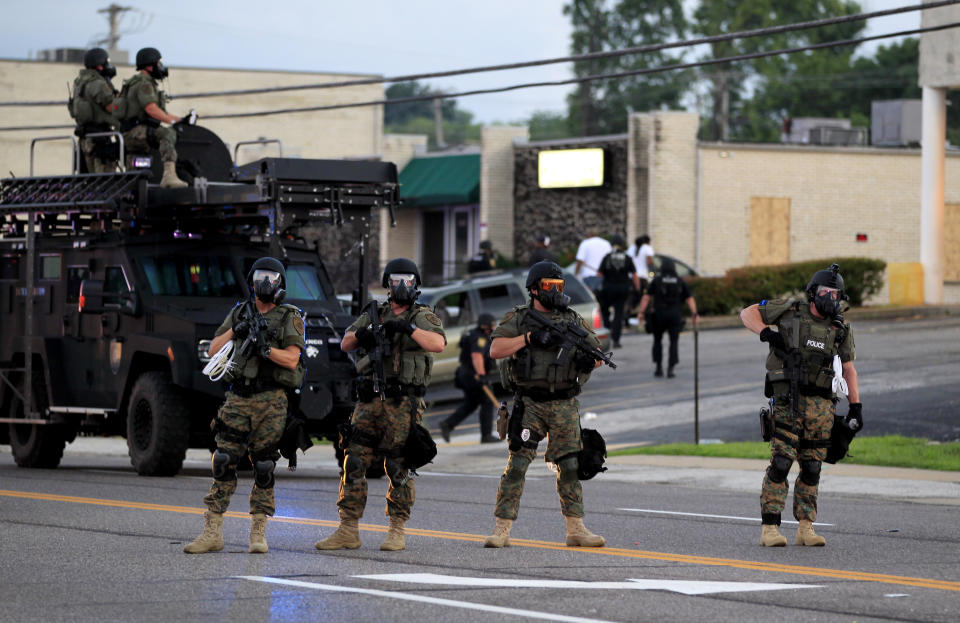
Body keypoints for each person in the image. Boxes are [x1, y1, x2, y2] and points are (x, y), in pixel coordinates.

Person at [315, 258, 446, 552]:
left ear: (416, 284)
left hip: (403, 401)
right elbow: (346, 343)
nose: (402, 286)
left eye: (408, 280)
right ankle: (348, 528)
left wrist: (406, 328)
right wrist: (365, 334)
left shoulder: (422, 315)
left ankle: (396, 529)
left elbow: (437, 344)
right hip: (369, 399)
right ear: (387, 283)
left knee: (398, 463)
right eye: (397, 280)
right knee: (355, 459)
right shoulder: (375, 313)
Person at [184, 257, 306, 554]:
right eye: (261, 276)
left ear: (281, 283)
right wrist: (236, 331)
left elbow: (292, 359)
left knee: (264, 464)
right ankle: (212, 531)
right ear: (252, 280)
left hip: (272, 399)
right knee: (223, 459)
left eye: (272, 277)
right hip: (238, 397)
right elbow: (212, 349)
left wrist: (266, 350)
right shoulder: (240, 312)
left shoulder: (290, 316)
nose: (266, 282)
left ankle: (258, 533)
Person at [484, 261, 605, 549]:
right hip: (530, 403)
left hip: (564, 403)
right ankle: (501, 529)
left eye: (559, 287)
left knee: (571, 467)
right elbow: (495, 349)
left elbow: (597, 352)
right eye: (550, 286)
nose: (555, 292)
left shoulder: (571, 319)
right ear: (535, 289)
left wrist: (590, 359)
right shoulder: (520, 318)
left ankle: (576, 529)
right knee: (517, 465)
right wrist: (528, 338)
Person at [739, 263, 860, 548]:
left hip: (821, 407)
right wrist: (766, 333)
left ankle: (806, 527)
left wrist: (856, 406)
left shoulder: (840, 329)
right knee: (781, 462)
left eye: (835, 293)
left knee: (812, 467)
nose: (829, 298)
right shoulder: (791, 311)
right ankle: (770, 528)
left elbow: (849, 368)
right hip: (788, 402)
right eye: (824, 292)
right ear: (812, 293)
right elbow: (748, 313)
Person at [119, 47, 188, 188]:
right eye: (158, 64)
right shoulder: (144, 84)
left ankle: (133, 184)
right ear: (150, 66)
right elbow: (151, 109)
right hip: (136, 132)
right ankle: (169, 176)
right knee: (167, 133)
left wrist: (180, 120)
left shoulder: (137, 82)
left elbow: (160, 112)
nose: (161, 67)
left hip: (132, 132)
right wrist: (172, 121)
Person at [439, 313, 500, 444]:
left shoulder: (472, 333)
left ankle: (447, 424)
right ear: (486, 326)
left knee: (471, 404)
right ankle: (486, 435)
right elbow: (477, 356)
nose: (494, 327)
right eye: (492, 325)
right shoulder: (480, 338)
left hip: (465, 374)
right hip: (474, 375)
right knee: (487, 401)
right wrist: (482, 376)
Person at [636, 258, 698, 377]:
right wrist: (694, 313)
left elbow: (646, 297)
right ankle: (671, 368)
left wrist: (641, 312)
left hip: (659, 314)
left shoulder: (657, 280)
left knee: (657, 340)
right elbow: (689, 298)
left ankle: (658, 368)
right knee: (673, 342)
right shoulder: (680, 281)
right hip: (675, 315)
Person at [70, 48, 122, 173]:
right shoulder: (98, 83)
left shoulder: (79, 82)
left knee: (89, 182)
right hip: (100, 139)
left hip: (85, 139)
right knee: (106, 181)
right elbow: (111, 107)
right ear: (99, 66)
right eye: (106, 63)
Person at [597, 234, 640, 349]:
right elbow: (634, 275)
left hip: (608, 289)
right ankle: (616, 340)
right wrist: (638, 289)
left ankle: (606, 335)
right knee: (618, 314)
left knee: (604, 312)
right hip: (622, 289)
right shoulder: (627, 258)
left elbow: (599, 274)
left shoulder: (607, 257)